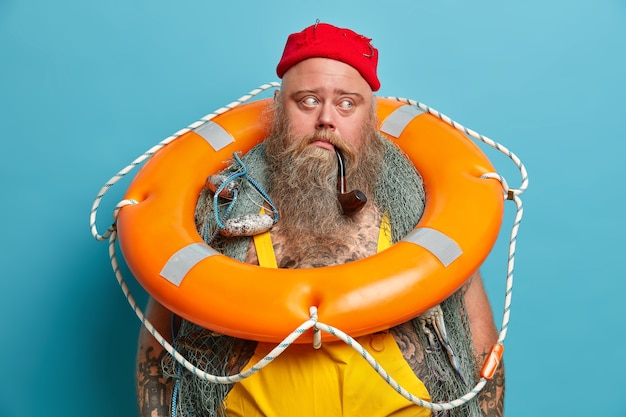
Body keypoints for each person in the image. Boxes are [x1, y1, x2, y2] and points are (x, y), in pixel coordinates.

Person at [136, 22, 504, 417]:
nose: (326, 118)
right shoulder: (222, 207)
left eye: (347, 103)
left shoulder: (418, 207)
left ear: (370, 116)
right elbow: (160, 345)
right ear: (279, 107)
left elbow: (479, 343)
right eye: (308, 100)